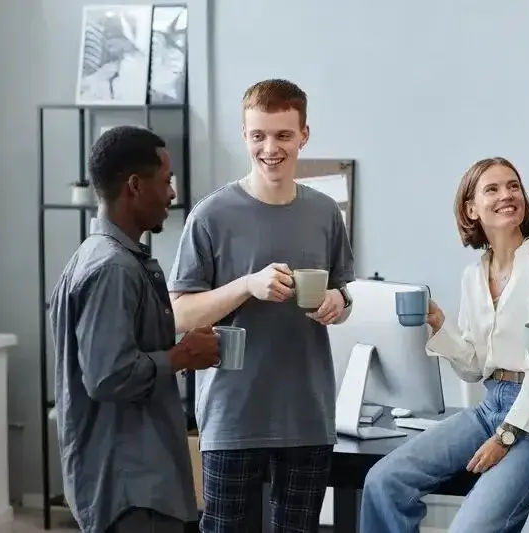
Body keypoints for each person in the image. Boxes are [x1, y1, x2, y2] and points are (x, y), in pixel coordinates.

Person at [168, 79, 356, 533]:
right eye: (259, 135)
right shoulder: (210, 215)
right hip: (232, 418)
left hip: (307, 416)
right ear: (245, 135)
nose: (270, 148)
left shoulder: (326, 212)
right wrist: (247, 286)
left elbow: (346, 292)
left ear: (304, 135)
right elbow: (179, 314)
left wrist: (338, 301)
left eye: (283, 135)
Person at [359, 157, 529, 533]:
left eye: (513, 186)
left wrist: (506, 436)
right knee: (385, 482)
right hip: (490, 406)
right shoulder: (474, 275)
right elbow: (476, 367)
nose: (507, 195)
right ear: (471, 209)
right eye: (492, 189)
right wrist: (440, 324)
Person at [48, 126, 221, 533]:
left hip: (138, 483)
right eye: (167, 182)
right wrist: (182, 356)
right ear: (135, 186)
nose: (173, 193)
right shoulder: (112, 269)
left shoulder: (104, 260)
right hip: (131, 490)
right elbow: (108, 376)